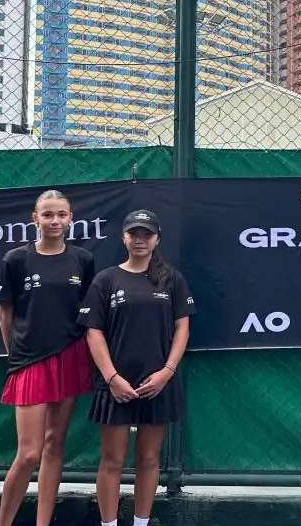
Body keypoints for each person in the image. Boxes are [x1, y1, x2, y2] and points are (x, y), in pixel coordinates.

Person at [80, 210, 195, 526]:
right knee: (112, 460)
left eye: (147, 234)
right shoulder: (106, 279)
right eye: (134, 234)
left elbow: (182, 328)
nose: (140, 240)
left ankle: (142, 522)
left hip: (157, 384)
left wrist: (166, 373)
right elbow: (93, 331)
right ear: (124, 238)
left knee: (148, 459)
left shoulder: (171, 278)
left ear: (157, 238)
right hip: (115, 386)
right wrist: (112, 377)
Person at [0, 189, 96, 526]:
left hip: (70, 356)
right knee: (28, 454)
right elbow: (6, 313)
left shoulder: (82, 259)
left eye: (61, 214)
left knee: (55, 445)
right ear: (34, 218)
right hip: (28, 362)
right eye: (48, 214)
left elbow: (86, 312)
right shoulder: (15, 260)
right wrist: (15, 355)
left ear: (71, 218)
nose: (55, 221)